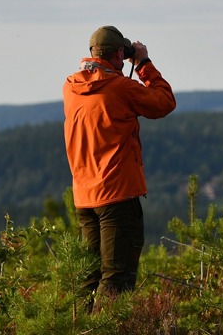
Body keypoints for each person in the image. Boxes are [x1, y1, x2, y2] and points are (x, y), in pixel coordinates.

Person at [63, 25, 176, 306]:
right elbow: (164, 103)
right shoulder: (121, 87)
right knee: (117, 278)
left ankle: (78, 326)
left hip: (85, 199)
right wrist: (143, 64)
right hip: (117, 196)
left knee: (89, 277)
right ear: (117, 55)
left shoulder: (70, 87)